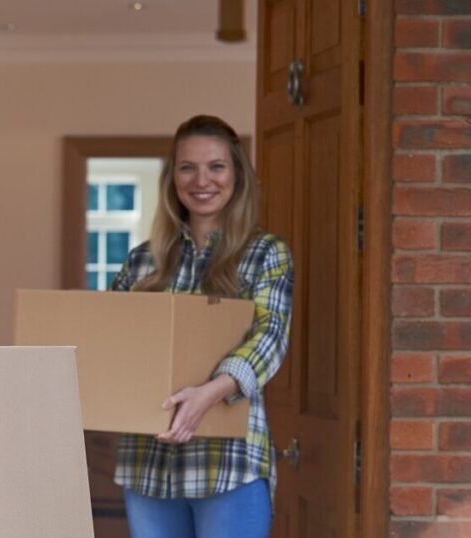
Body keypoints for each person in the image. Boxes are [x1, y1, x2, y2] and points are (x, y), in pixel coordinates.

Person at [109, 115, 293, 538]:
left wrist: (210, 393)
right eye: (187, 167)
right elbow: (113, 341)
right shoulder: (141, 261)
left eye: (216, 166)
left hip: (229, 462)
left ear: (237, 175)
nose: (201, 180)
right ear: (172, 177)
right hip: (148, 463)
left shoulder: (265, 254)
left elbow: (270, 336)